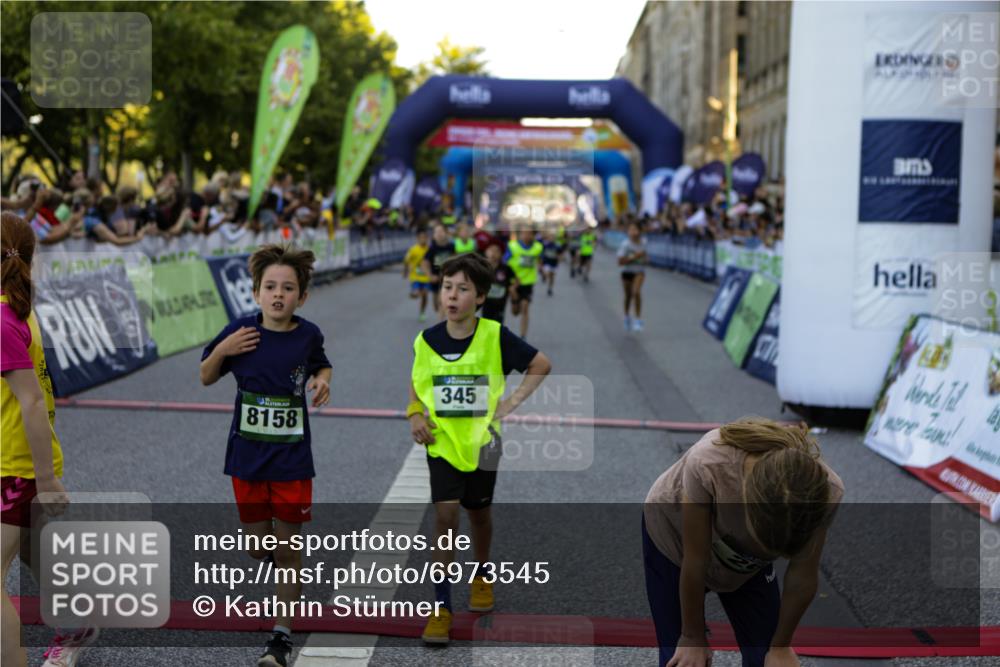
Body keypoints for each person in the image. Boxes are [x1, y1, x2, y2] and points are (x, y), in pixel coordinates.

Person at [407, 253, 551, 645]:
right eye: (447, 287)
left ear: (481, 296)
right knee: (446, 517)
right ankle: (440, 608)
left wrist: (511, 403)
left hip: (486, 443)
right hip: (442, 444)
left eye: (463, 289)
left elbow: (541, 364)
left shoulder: (495, 335)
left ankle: (482, 574)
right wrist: (414, 413)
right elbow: (419, 383)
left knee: (479, 514)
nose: (451, 296)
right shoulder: (426, 340)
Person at [200, 244, 332, 667]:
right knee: (260, 548)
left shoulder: (308, 334)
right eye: (270, 287)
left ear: (302, 297)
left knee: (289, 548)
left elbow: (321, 364)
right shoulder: (241, 331)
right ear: (255, 292)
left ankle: (281, 635)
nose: (279, 294)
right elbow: (205, 376)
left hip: (292, 460)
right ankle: (288, 572)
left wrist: (322, 381)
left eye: (288, 288)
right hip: (247, 459)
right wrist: (224, 350)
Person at [643, 418, 844, 667]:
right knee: (684, 658)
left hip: (747, 563)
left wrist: (780, 646)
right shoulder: (709, 463)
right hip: (673, 537)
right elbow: (695, 559)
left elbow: (803, 575)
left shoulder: (826, 491)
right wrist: (692, 635)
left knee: (765, 658)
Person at [1, 213, 90, 667]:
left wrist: (46, 476)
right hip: (14, 458)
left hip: (15, 464)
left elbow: (32, 402)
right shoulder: (13, 306)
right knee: (34, 551)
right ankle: (78, 618)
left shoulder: (3, 317)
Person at [505, 227, 543, 339]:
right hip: (514, 283)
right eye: (524, 233)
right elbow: (504, 261)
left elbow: (539, 260)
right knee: (515, 312)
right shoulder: (512, 246)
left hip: (528, 282)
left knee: (525, 307)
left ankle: (523, 335)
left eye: (529, 233)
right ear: (520, 234)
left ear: (533, 235)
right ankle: (515, 303)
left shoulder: (538, 247)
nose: (526, 236)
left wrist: (542, 269)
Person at [618, 222, 648, 332]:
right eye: (630, 230)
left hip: (639, 271)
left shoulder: (644, 243)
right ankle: (626, 316)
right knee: (628, 296)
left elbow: (646, 258)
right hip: (626, 271)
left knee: (636, 292)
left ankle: (638, 319)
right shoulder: (625, 244)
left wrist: (645, 259)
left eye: (635, 229)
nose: (633, 232)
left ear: (640, 231)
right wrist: (635, 257)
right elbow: (620, 262)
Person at [423, 224, 456, 318]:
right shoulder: (432, 248)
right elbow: (425, 263)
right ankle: (441, 314)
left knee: (442, 302)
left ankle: (443, 323)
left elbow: (455, 259)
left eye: (441, 231)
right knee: (436, 305)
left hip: (447, 277)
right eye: (436, 232)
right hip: (435, 278)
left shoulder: (451, 246)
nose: (439, 234)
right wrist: (429, 275)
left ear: (446, 233)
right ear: (433, 235)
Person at [480, 243, 517, 325]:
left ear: (501, 254)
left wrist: (513, 288)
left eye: (496, 251)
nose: (493, 253)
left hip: (500, 304)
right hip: (486, 303)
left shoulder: (506, 268)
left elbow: (516, 279)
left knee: (497, 326)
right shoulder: (482, 268)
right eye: (490, 250)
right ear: (486, 252)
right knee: (485, 325)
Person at [403, 229, 432, 322]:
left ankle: (422, 312)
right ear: (417, 239)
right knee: (418, 292)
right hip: (415, 277)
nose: (423, 239)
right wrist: (405, 271)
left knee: (425, 296)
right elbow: (406, 261)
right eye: (421, 238)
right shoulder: (413, 249)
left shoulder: (429, 249)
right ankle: (414, 292)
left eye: (425, 238)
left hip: (426, 277)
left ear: (427, 239)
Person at [540, 231, 560, 297]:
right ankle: (544, 276)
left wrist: (559, 258)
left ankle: (550, 288)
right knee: (547, 273)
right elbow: (541, 253)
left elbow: (560, 253)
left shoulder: (557, 245)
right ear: (548, 238)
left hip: (554, 263)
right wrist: (541, 261)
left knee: (552, 277)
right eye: (550, 237)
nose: (552, 238)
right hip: (547, 262)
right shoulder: (545, 245)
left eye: (553, 237)